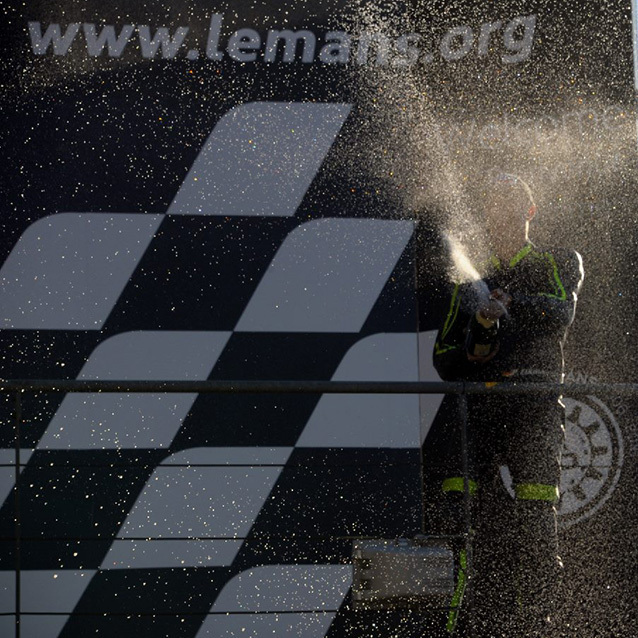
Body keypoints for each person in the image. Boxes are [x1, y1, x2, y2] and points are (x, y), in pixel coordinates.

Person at [426, 172, 584, 637]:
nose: (500, 216)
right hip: (476, 413)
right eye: (492, 207)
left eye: (511, 206)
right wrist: (480, 327)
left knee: (536, 531)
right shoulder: (470, 278)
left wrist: (508, 307)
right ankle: (449, 628)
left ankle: (536, 628)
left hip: (533, 408)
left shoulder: (557, 260)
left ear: (530, 212)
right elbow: (444, 359)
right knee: (457, 525)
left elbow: (561, 312)